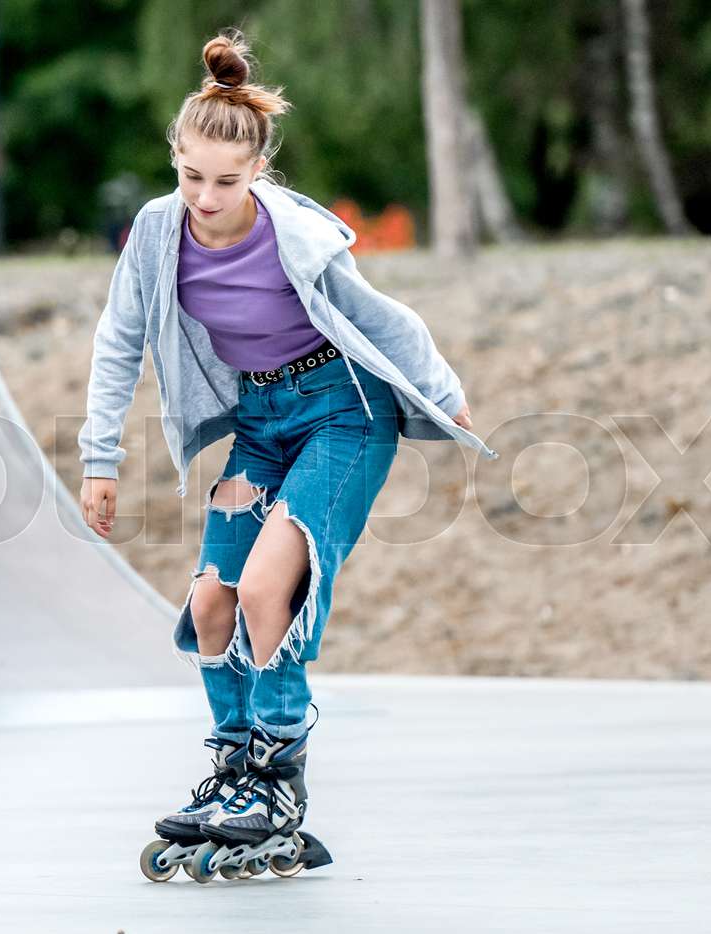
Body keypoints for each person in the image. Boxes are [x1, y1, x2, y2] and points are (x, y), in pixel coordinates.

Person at [76, 28, 498, 879]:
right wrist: (99, 459)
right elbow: (118, 342)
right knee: (209, 604)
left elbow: (385, 318)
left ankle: (277, 782)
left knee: (273, 586)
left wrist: (442, 390)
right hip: (263, 421)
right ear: (176, 160)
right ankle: (233, 770)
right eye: (190, 175)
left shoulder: (293, 234)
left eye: (226, 182)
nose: (205, 196)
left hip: (345, 412)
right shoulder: (159, 234)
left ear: (258, 173)